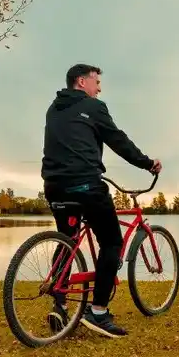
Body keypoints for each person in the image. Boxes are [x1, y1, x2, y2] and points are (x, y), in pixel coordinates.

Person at [41, 63, 162, 338]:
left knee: (67, 239)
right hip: (85, 185)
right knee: (112, 242)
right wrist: (147, 163)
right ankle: (98, 312)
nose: (99, 87)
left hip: (54, 186)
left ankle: (59, 304)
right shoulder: (94, 107)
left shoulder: (53, 108)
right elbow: (118, 140)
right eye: (96, 81)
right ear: (82, 82)